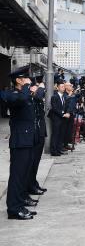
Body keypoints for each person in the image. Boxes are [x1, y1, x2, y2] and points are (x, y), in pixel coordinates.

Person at [3, 71, 38, 220]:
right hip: (20, 141)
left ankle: (20, 201)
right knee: (17, 176)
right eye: (26, 79)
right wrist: (27, 87)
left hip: (28, 140)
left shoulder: (24, 94)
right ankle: (13, 209)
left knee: (24, 174)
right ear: (18, 80)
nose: (29, 81)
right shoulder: (11, 94)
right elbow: (21, 100)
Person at [28, 77, 47, 196]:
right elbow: (39, 96)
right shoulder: (30, 97)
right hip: (33, 135)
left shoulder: (36, 99)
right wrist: (40, 87)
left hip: (39, 133)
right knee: (32, 163)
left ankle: (33, 183)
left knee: (36, 162)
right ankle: (30, 186)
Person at [49, 82, 68, 156]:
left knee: (61, 134)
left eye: (64, 86)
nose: (63, 88)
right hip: (56, 118)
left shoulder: (64, 96)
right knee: (55, 134)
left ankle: (59, 149)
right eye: (62, 86)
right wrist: (63, 114)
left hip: (62, 118)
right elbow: (54, 108)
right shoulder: (54, 96)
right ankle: (53, 150)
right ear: (58, 88)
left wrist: (67, 113)